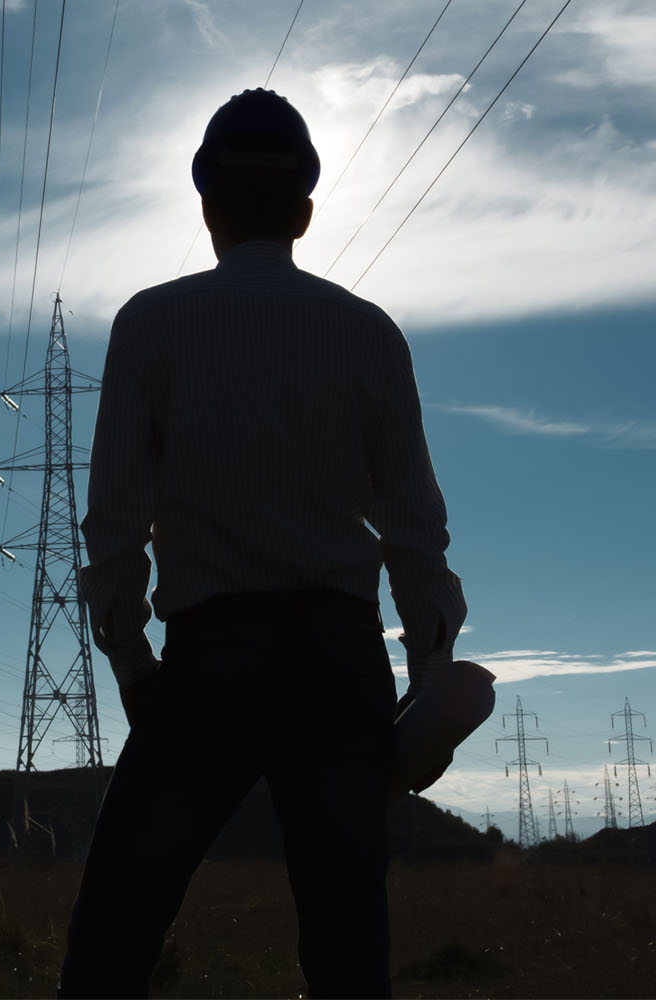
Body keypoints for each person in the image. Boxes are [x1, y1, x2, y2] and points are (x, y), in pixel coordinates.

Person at [59, 90, 466, 998]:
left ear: (205, 205)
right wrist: (427, 679)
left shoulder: (151, 323)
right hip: (338, 657)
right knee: (348, 943)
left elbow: (114, 525)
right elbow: (417, 535)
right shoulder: (370, 333)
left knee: (116, 932)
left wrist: (133, 667)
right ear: (307, 212)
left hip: (212, 657)